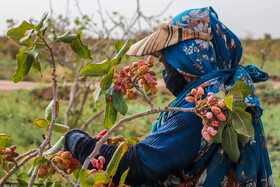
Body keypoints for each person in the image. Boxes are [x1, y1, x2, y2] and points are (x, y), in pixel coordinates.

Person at [64, 7, 274, 186]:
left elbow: (141, 164)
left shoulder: (203, 109)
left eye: (167, 63)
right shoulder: (224, 91)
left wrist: (77, 143)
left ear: (189, 60)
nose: (164, 72)